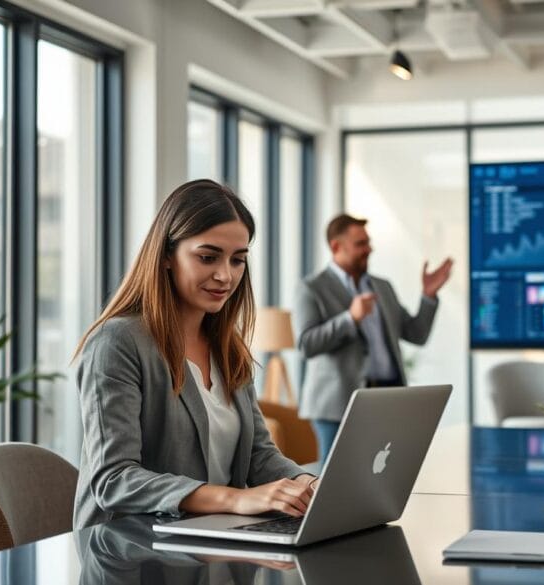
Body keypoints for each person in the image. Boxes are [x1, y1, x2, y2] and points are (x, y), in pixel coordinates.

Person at [72, 179, 316, 530]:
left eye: (237, 260)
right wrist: (236, 498)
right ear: (167, 255)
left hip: (212, 545)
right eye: (207, 257)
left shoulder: (228, 348)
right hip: (129, 553)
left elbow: (259, 457)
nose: (225, 276)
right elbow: (114, 479)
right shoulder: (117, 343)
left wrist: (310, 484)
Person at [296, 214, 453, 463]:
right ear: (336, 246)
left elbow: (416, 334)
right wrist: (350, 318)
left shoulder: (382, 287)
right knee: (335, 479)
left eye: (368, 242)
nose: (369, 249)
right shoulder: (313, 287)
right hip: (337, 404)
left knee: (387, 474)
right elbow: (306, 345)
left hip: (387, 398)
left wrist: (428, 296)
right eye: (361, 243)